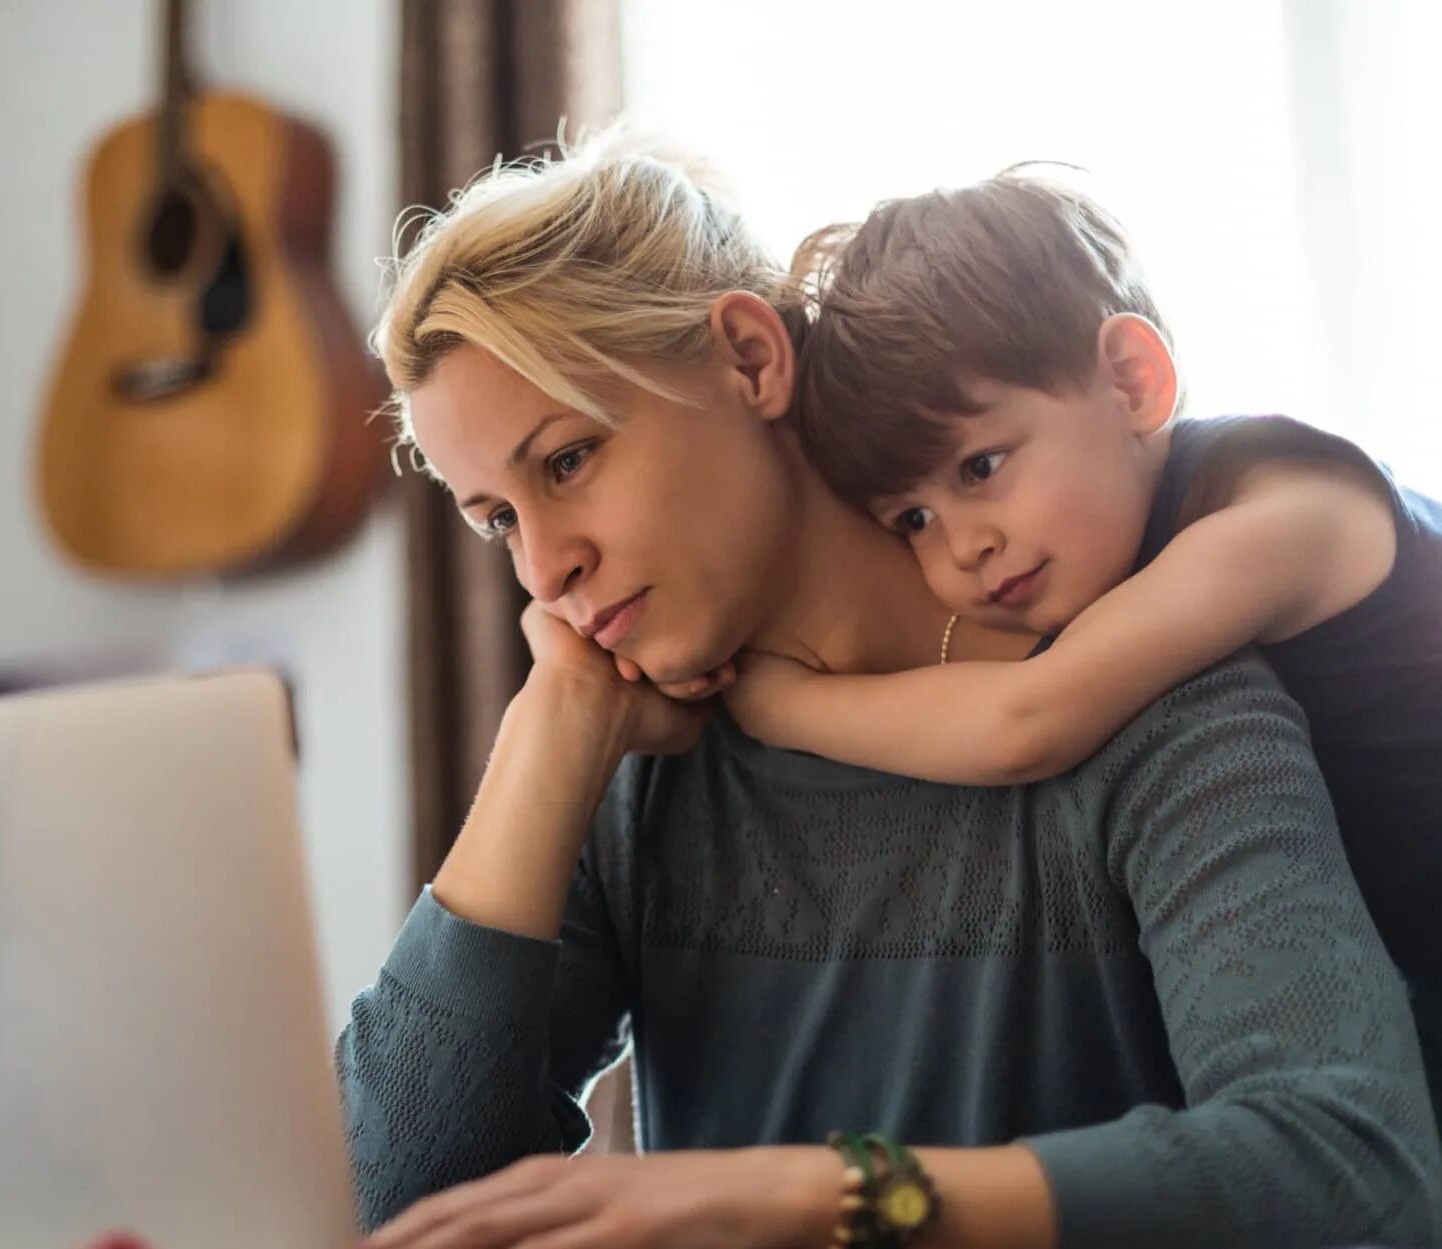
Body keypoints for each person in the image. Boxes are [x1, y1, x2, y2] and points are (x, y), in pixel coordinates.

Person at [335, 132, 1441, 1249]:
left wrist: (828, 1196)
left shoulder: (1153, 697)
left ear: (751, 359)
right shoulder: (633, 768)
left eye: (567, 460)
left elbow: (1349, 1163)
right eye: (498, 521)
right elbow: (410, 1201)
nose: (542, 571)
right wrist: (550, 726)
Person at [722, 169, 1442, 1114]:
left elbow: (1029, 719)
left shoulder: (1284, 510)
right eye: (910, 520)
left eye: (980, 466)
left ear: (1132, 381)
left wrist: (768, 700)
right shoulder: (1100, 552)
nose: (961, 546)